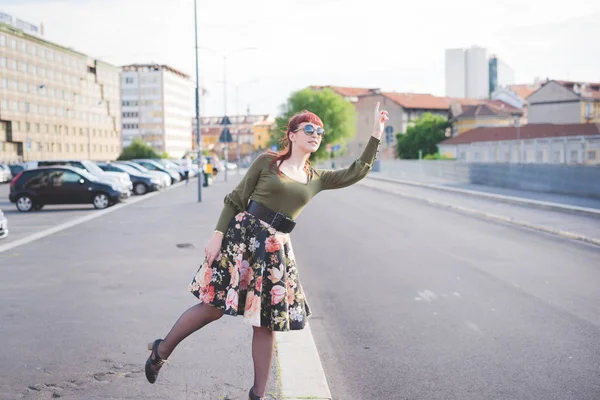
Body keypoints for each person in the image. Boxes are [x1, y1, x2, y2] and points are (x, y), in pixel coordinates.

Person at [144, 103, 389, 399]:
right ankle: (161, 350)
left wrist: (376, 133)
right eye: (309, 129)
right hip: (242, 240)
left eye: (320, 131)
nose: (316, 134)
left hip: (274, 250)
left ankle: (257, 395)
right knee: (213, 307)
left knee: (264, 322)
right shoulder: (267, 162)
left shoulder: (317, 178)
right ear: (292, 135)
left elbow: (357, 170)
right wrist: (217, 235)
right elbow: (236, 199)